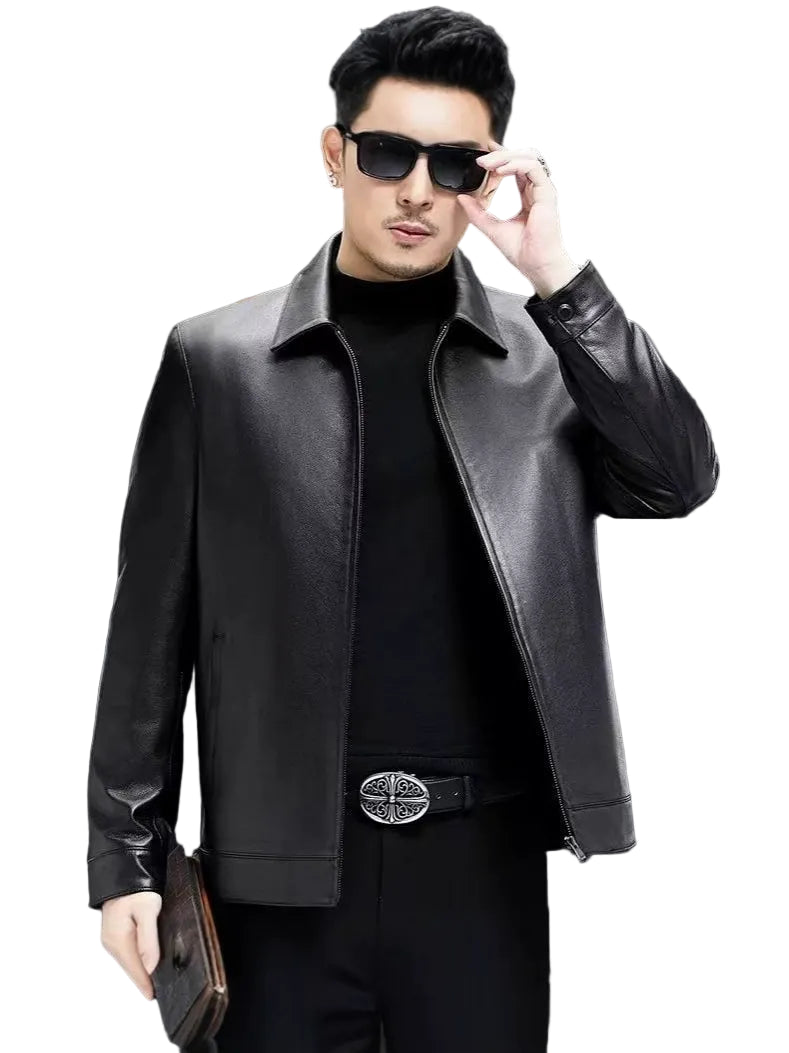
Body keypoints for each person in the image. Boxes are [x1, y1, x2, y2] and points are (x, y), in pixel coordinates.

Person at [86, 6, 720, 1051]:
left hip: (481, 869)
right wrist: (125, 859)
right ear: (334, 153)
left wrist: (560, 277)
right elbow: (147, 631)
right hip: (277, 874)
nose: (419, 190)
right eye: (388, 154)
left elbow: (678, 477)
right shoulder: (216, 362)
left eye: (455, 165)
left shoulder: (547, 359)